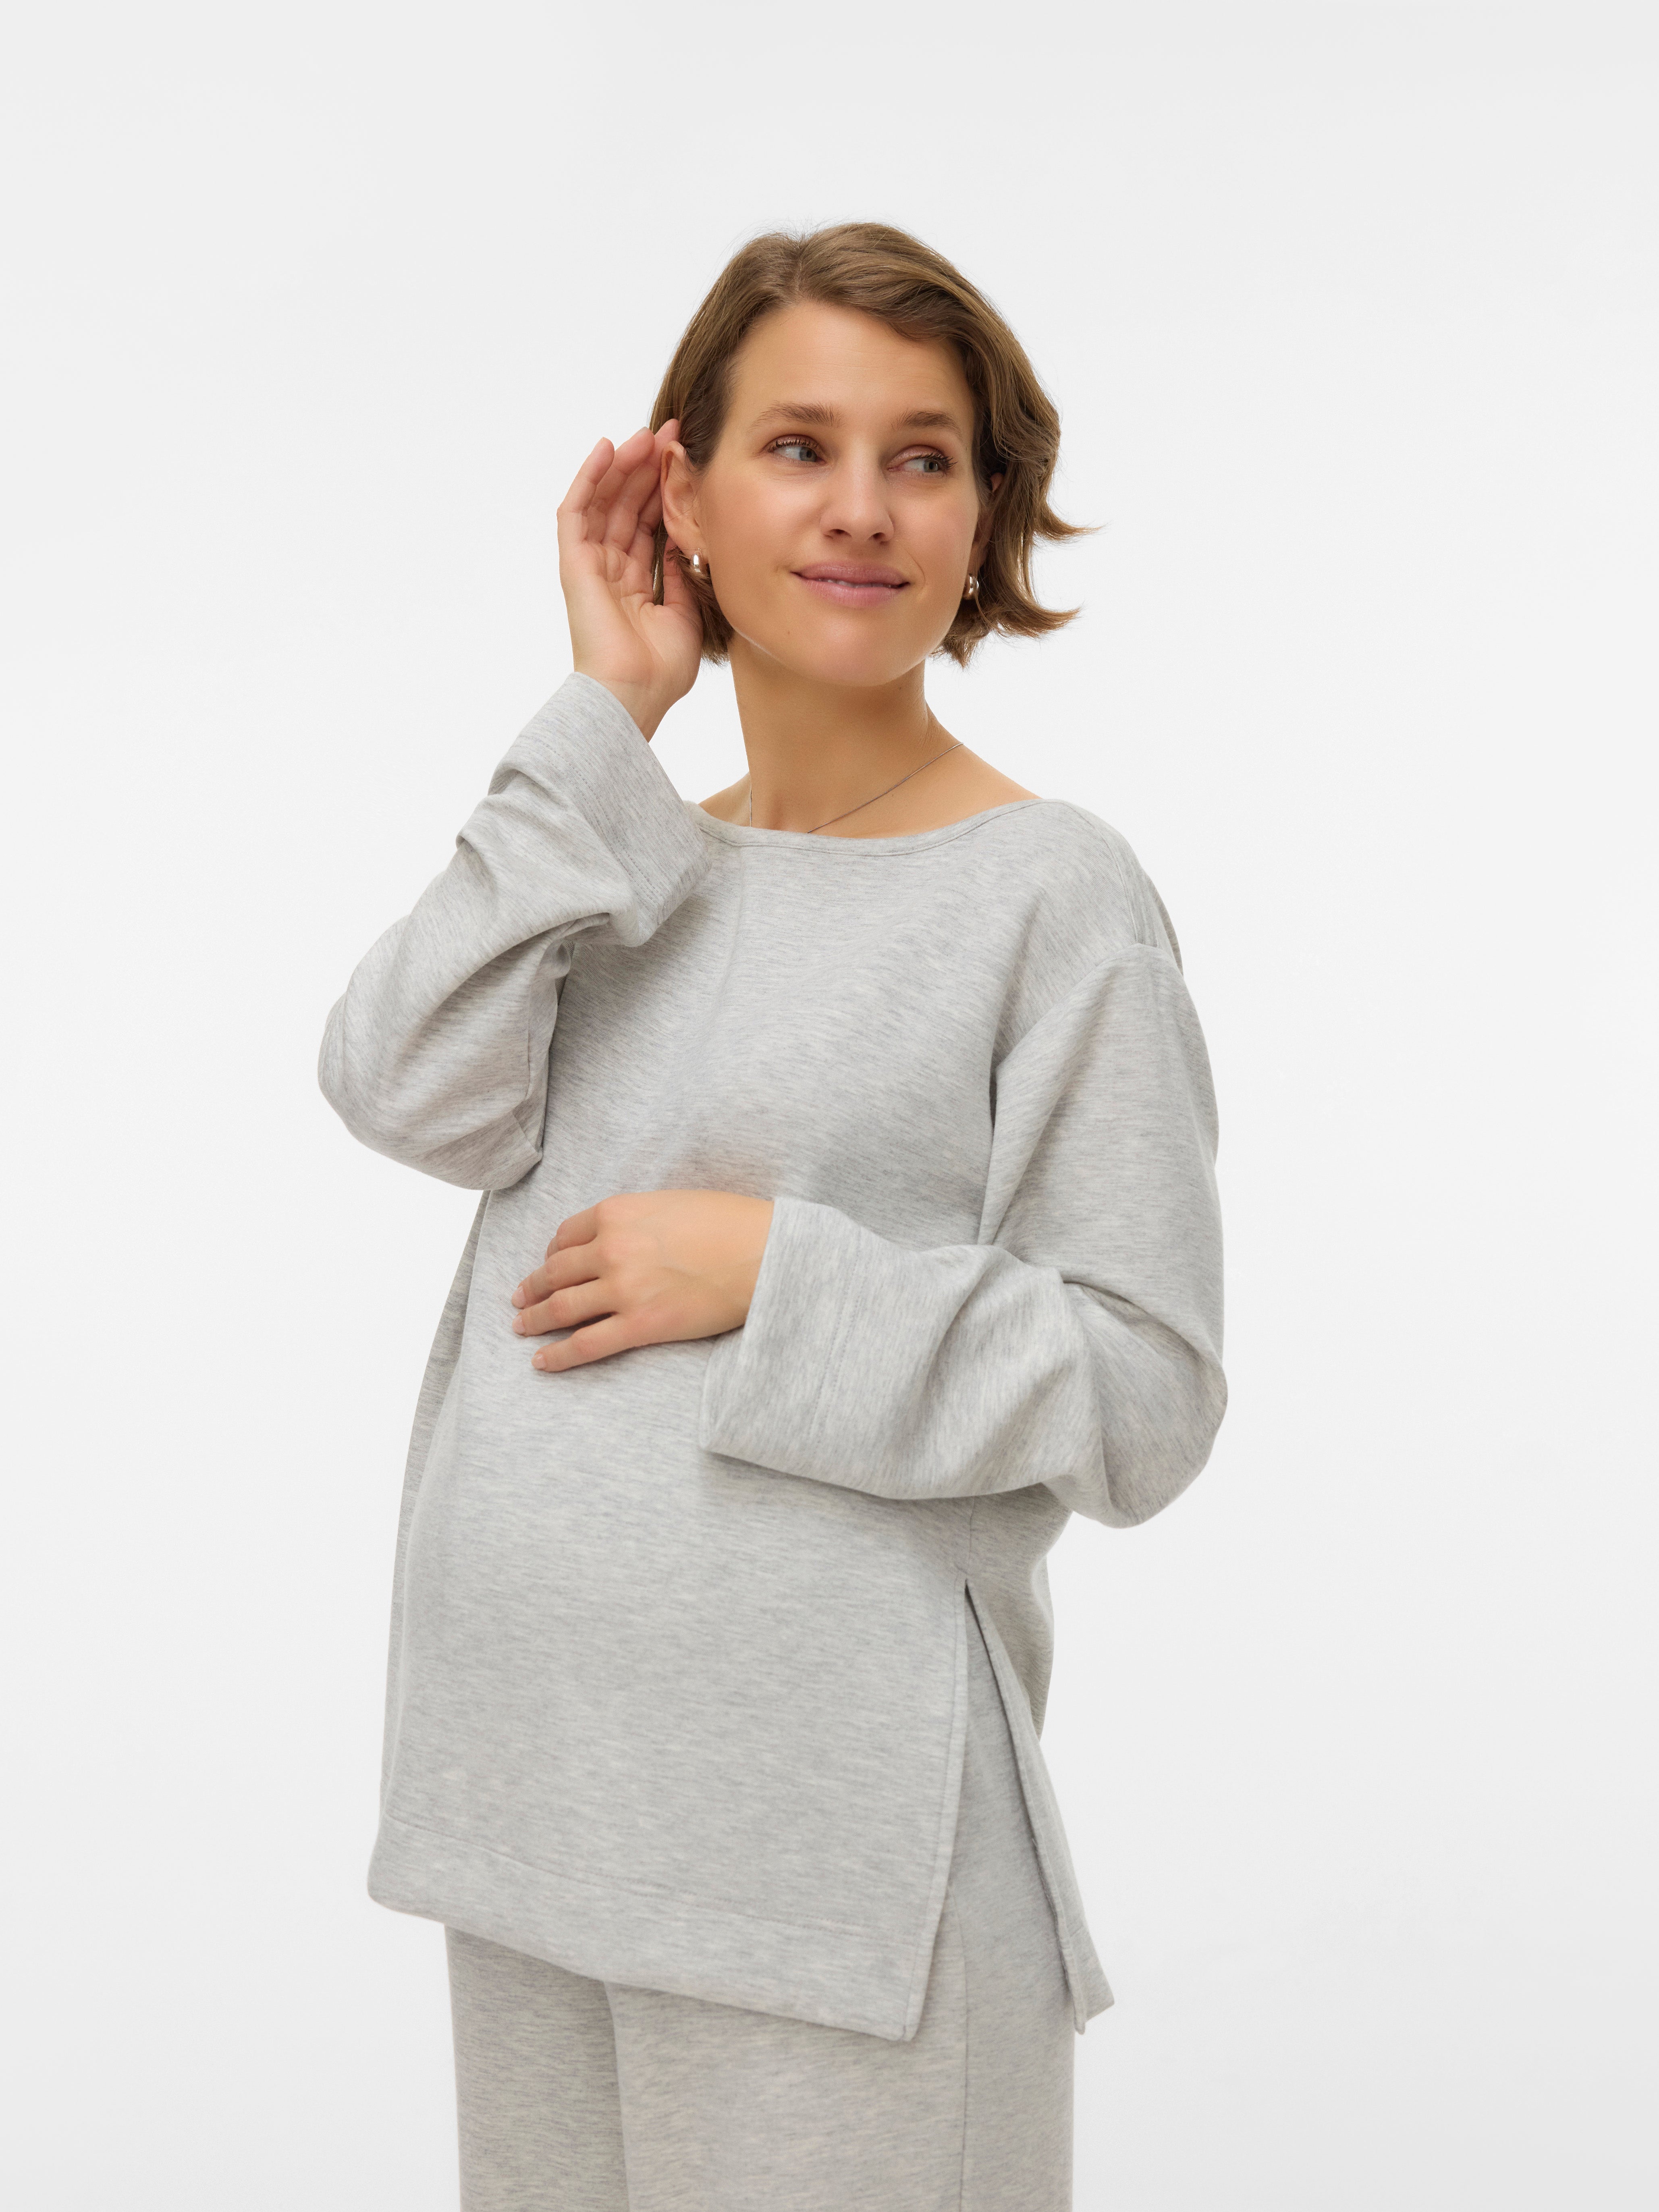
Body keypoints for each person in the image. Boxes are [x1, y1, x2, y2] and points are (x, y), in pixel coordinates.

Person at [319, 220, 1226, 2212]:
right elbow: (397, 1081)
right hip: (532, 1810)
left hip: (839, 1880)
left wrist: (777, 1277)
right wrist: (604, 715)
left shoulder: (1051, 895)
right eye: (799, 446)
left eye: (925, 457)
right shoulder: (612, 850)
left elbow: (1146, 1389)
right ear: (684, 494)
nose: (862, 506)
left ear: (984, 519)